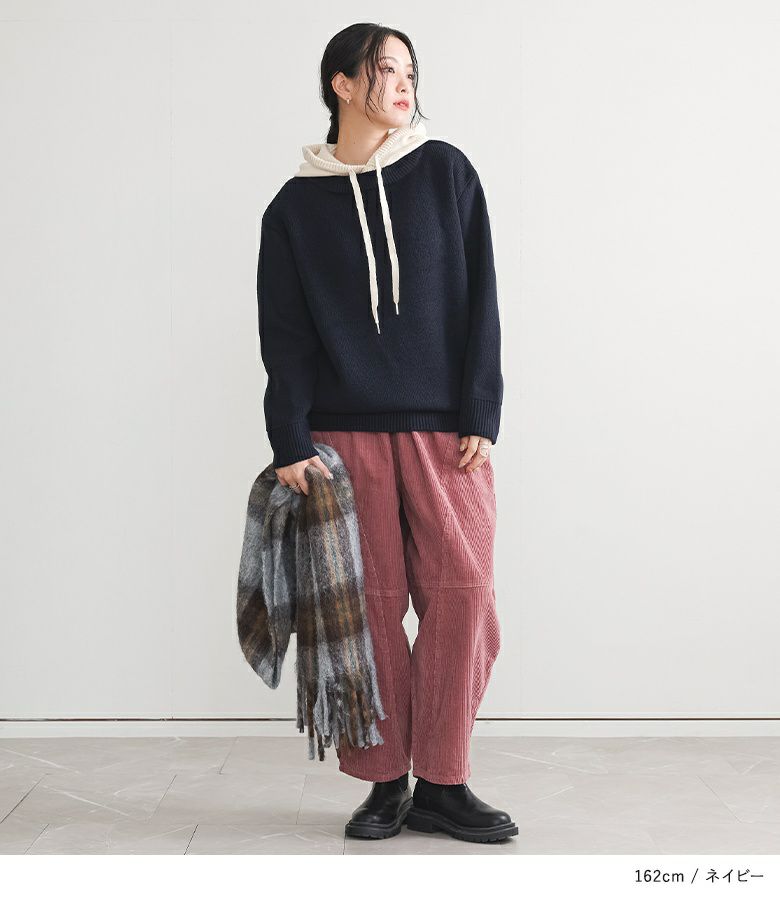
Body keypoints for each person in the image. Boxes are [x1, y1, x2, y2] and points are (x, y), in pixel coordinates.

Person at [256, 22, 518, 844]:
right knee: (364, 610)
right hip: (340, 437)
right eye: (385, 69)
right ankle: (383, 780)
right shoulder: (295, 206)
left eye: (410, 71)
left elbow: (481, 299)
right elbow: (285, 335)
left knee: (465, 595)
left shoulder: (445, 171)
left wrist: (481, 411)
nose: (404, 84)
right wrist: (289, 439)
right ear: (341, 83)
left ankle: (443, 778)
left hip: (446, 433)